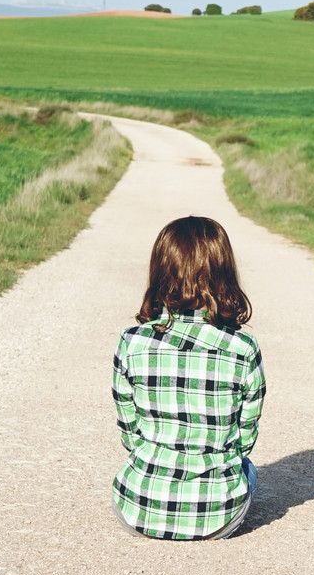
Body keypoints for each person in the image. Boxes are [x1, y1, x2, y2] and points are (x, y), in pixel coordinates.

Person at [112, 216, 266, 540]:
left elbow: (130, 436)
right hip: (218, 517)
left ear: (159, 272)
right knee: (249, 470)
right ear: (225, 275)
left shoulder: (132, 342)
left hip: (138, 507)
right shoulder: (243, 348)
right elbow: (244, 441)